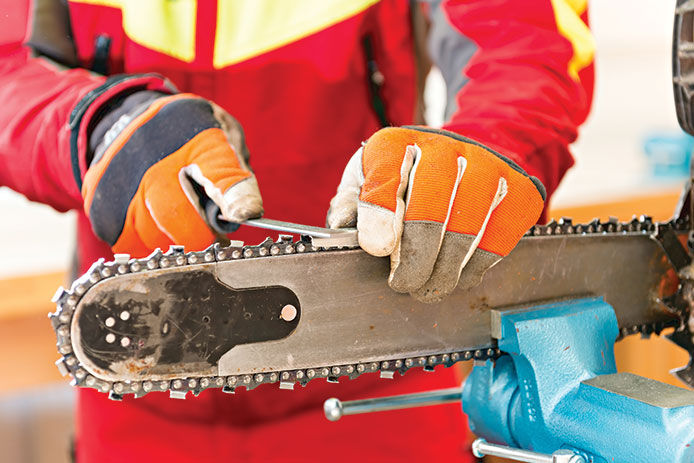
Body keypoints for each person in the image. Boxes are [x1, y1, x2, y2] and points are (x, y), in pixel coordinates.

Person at [0, 0, 594, 461]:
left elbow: (528, 42)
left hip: (378, 368)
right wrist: (97, 125)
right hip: (134, 374)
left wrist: (489, 149)